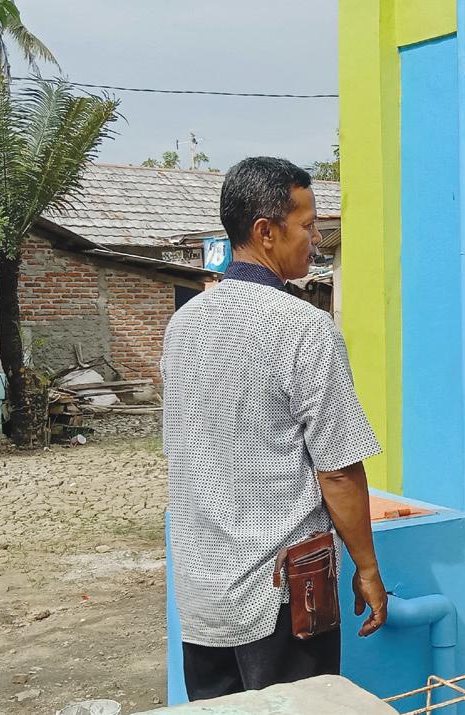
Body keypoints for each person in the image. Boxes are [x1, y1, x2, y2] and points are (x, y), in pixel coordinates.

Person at [161, 157, 387, 699]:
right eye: (307, 226)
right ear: (266, 231)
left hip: (202, 590)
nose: (317, 240)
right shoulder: (305, 327)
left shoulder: (183, 324)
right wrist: (367, 568)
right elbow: (338, 469)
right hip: (284, 595)